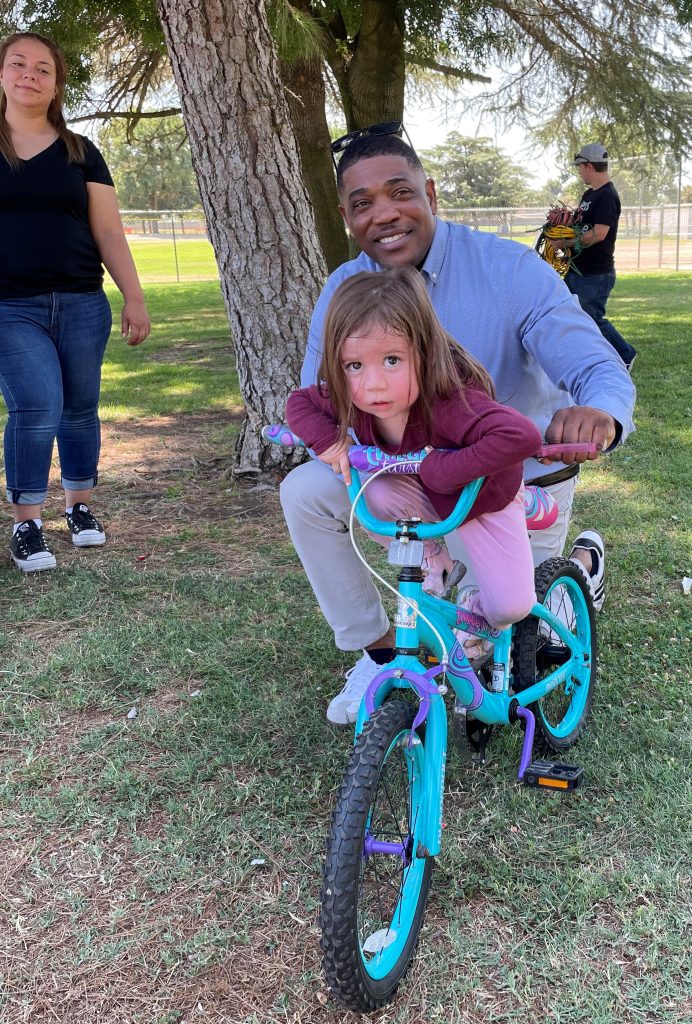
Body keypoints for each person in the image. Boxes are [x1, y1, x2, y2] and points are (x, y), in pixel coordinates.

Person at [280, 129, 636, 726]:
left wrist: (599, 409)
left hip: (508, 486)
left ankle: (577, 574)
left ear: (431, 194)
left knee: (512, 620)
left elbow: (594, 364)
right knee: (305, 490)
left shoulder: (510, 269)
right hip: (411, 479)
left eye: (400, 192)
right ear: (346, 217)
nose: (383, 214)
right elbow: (324, 395)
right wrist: (332, 439)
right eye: (363, 203)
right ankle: (378, 652)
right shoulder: (344, 289)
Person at [287, 266, 542, 651]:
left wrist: (442, 469)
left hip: (482, 497)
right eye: (355, 365)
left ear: (424, 354)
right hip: (421, 494)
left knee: (511, 606)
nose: (374, 384)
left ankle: (478, 603)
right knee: (372, 492)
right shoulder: (353, 398)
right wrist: (330, 443)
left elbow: (521, 435)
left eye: (392, 360)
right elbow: (300, 403)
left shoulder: (451, 402)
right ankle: (432, 557)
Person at [0, 32, 150, 572]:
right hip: (10, 307)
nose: (30, 75)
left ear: (56, 84)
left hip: (83, 302)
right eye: (18, 64)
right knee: (36, 405)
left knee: (81, 407)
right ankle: (27, 524)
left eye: (43, 69)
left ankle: (79, 508)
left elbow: (108, 231)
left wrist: (134, 297)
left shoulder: (80, 152)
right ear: (1, 74)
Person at [562, 143, 637, 370]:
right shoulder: (589, 194)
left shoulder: (607, 196)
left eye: (580, 167)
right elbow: (580, 225)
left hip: (595, 274)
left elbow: (599, 233)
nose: (579, 172)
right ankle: (582, 355)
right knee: (571, 314)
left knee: (591, 317)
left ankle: (626, 354)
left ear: (588, 165)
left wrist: (567, 243)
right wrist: (562, 223)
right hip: (578, 268)